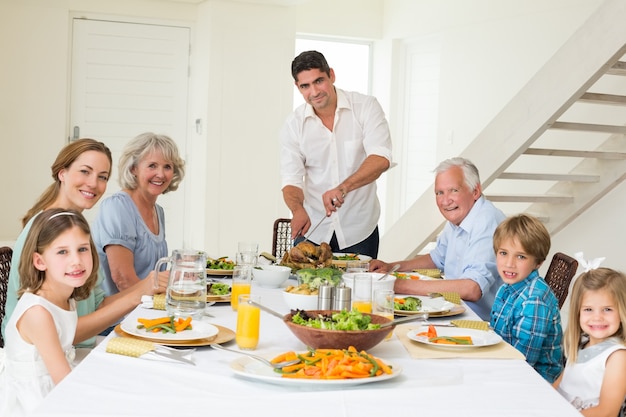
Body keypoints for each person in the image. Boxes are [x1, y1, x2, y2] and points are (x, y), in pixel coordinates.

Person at [1, 139, 166, 348]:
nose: (93, 184)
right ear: (62, 173)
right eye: (85, 172)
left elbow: (96, 305)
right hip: (44, 357)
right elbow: (59, 332)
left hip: (78, 345)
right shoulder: (46, 232)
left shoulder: (76, 229)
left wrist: (148, 285)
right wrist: (137, 295)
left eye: (102, 177)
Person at [280, 50, 392, 258]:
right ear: (298, 87)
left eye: (319, 81)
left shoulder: (365, 107)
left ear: (331, 75)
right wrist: (297, 209)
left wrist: (343, 187)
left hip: (359, 231)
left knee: (360, 291)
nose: (314, 92)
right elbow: (291, 180)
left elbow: (381, 158)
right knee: (305, 289)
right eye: (305, 86)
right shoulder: (294, 125)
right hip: (312, 230)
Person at [370, 157, 506, 320]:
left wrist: (396, 285)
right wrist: (391, 267)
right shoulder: (460, 216)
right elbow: (437, 258)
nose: (445, 201)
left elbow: (472, 288)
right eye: (439, 193)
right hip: (457, 310)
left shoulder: (486, 221)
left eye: (454, 190)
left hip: (482, 323)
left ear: (475, 191)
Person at [0, 208, 99, 416]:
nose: (76, 261)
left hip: (56, 380)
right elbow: (64, 383)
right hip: (35, 398)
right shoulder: (38, 313)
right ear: (40, 261)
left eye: (82, 249)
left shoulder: (65, 296)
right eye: (62, 251)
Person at [92, 132, 185, 295]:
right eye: (152, 166)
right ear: (134, 168)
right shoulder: (117, 207)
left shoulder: (158, 211)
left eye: (167, 167)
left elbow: (153, 277)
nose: (161, 174)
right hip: (120, 316)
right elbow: (123, 280)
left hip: (147, 309)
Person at [490, 214, 563, 382]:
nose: (509, 263)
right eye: (503, 253)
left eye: (521, 256)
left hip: (536, 382)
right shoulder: (505, 289)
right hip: (505, 367)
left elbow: (523, 362)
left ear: (538, 263)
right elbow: (495, 338)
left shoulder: (534, 300)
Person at [553, 267, 626, 416]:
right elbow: (559, 385)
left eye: (607, 309)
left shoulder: (617, 356)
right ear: (578, 312)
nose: (597, 317)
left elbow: (607, 412)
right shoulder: (581, 343)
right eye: (588, 309)